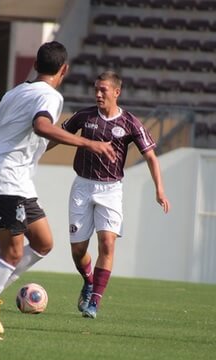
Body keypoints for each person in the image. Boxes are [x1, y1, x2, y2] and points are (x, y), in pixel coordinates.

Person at [0, 41, 116, 340]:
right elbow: (42, 126)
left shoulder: (17, 91)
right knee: (12, 252)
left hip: (10, 177)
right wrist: (89, 143)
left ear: (35, 64)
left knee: (43, 242)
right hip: (6, 179)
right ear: (64, 70)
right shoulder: (49, 95)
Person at [61, 70, 170, 319]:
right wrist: (37, 151)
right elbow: (61, 134)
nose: (98, 94)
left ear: (116, 92)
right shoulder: (85, 116)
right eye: (96, 89)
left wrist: (159, 190)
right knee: (78, 250)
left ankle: (94, 303)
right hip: (82, 186)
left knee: (107, 243)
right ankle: (88, 281)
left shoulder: (130, 122)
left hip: (110, 189)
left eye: (103, 90)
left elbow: (151, 156)